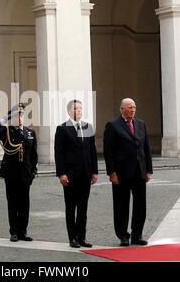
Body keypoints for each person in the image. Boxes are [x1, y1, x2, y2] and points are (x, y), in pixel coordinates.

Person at [103, 98, 153, 247]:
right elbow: (108, 152)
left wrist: (148, 170)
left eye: (134, 107)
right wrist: (111, 173)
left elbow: (146, 149)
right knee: (121, 206)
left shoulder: (141, 124)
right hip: (121, 173)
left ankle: (137, 235)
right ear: (122, 109)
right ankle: (123, 235)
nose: (133, 109)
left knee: (140, 205)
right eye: (130, 107)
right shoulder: (113, 126)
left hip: (139, 172)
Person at [0, 103, 38, 242]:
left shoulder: (30, 133)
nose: (20, 118)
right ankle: (14, 232)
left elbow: (34, 155)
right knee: (13, 203)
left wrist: (33, 171)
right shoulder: (6, 132)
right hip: (11, 174)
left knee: (25, 204)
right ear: (12, 118)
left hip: (25, 174)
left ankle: (23, 232)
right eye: (16, 116)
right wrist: (5, 118)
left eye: (21, 115)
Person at [55, 100, 98, 248]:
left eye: (80, 108)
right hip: (70, 175)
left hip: (86, 174)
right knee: (70, 207)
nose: (78, 111)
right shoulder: (62, 128)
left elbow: (92, 151)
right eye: (75, 109)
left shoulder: (88, 127)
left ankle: (82, 237)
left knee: (83, 208)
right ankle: (72, 238)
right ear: (69, 111)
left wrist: (94, 171)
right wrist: (61, 173)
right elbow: (58, 153)